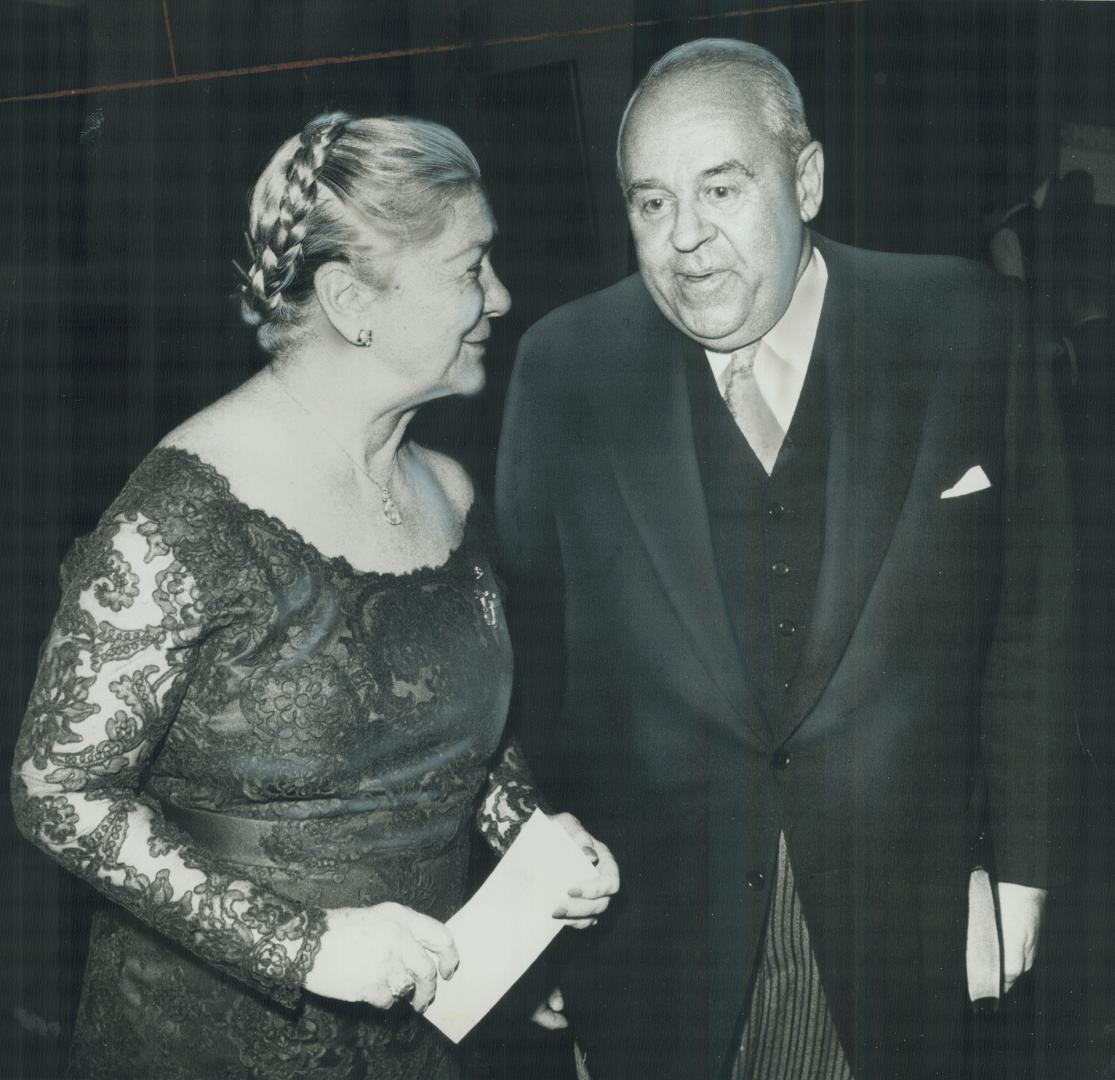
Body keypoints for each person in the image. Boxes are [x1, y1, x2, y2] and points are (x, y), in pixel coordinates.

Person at [496, 39, 1080, 1080]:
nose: (684, 240)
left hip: (906, 912)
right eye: (648, 203)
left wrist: (1023, 873)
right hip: (650, 935)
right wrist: (530, 910)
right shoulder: (563, 367)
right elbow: (529, 677)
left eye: (720, 189)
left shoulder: (963, 326)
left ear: (803, 177)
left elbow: (1032, 622)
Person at [11, 112, 618, 1080]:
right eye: (469, 269)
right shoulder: (181, 514)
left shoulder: (452, 495)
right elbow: (55, 791)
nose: (499, 297)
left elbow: (460, 746)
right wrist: (306, 946)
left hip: (414, 1046)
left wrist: (530, 844)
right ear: (349, 300)